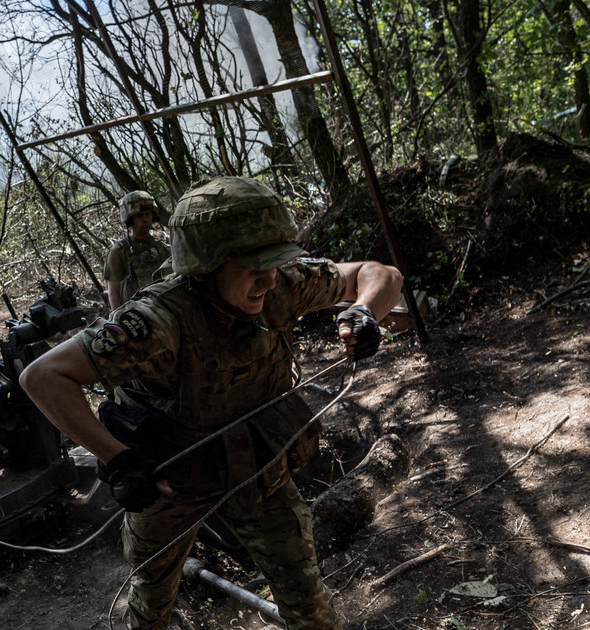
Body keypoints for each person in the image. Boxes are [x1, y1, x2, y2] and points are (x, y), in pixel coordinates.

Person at [20, 176, 403, 630]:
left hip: (255, 466)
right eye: (253, 267)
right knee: (152, 596)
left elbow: (379, 274)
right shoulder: (159, 318)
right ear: (206, 267)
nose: (269, 279)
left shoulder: (282, 283)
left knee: (307, 599)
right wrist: (118, 459)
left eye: (276, 263)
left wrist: (363, 311)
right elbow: (43, 376)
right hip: (171, 482)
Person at [104, 190, 171, 310]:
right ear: (130, 220)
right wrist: (120, 320)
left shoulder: (163, 243)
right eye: (140, 216)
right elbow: (113, 293)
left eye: (148, 214)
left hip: (169, 307)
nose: (145, 219)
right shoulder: (119, 251)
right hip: (140, 313)